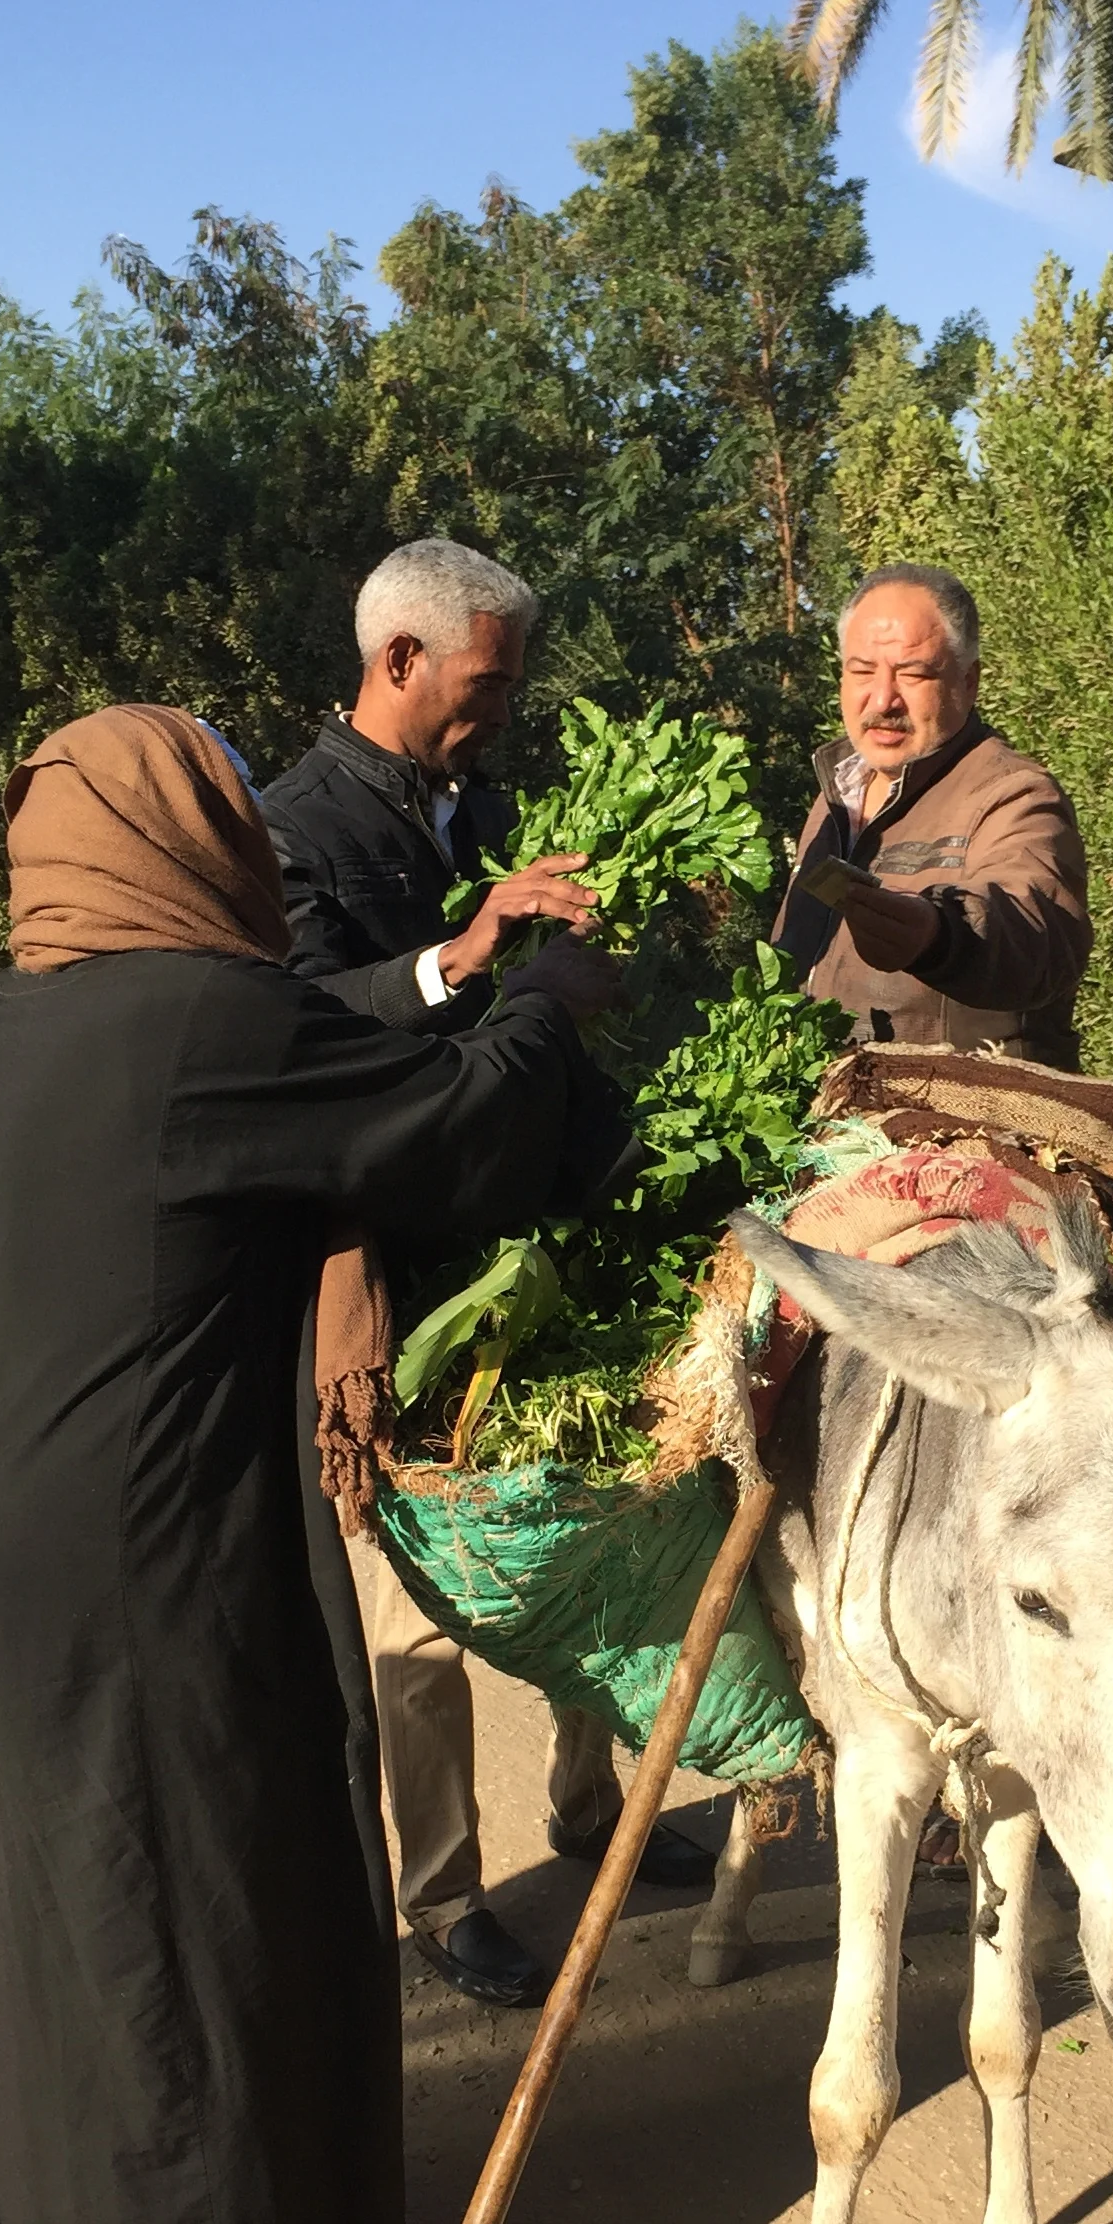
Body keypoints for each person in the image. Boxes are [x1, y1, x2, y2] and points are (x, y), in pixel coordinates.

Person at [0, 704, 632, 2224]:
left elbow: (307, 1055)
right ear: (174, 839)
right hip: (144, 1564)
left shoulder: (25, 1026)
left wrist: (453, 962)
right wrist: (549, 989)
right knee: (167, 1946)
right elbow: (456, 1138)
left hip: (41, 1558)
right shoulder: (188, 1028)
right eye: (225, 807)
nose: (248, 830)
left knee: (136, 1940)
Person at [258, 540, 713, 2011]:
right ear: (400, 661)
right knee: (413, 1594)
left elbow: (540, 999)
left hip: (533, 1232)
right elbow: (299, 1027)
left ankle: (593, 1808)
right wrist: (469, 955)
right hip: (391, 1262)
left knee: (588, 1530)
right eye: (486, 681)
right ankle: (441, 1897)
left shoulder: (489, 805)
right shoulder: (293, 829)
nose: (503, 707)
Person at [776, 562, 1092, 1068]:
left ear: (969, 682)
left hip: (965, 1129)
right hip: (831, 1127)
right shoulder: (835, 799)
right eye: (861, 671)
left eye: (914, 673)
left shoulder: (1015, 795)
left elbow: (1038, 929)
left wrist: (940, 933)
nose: (882, 699)